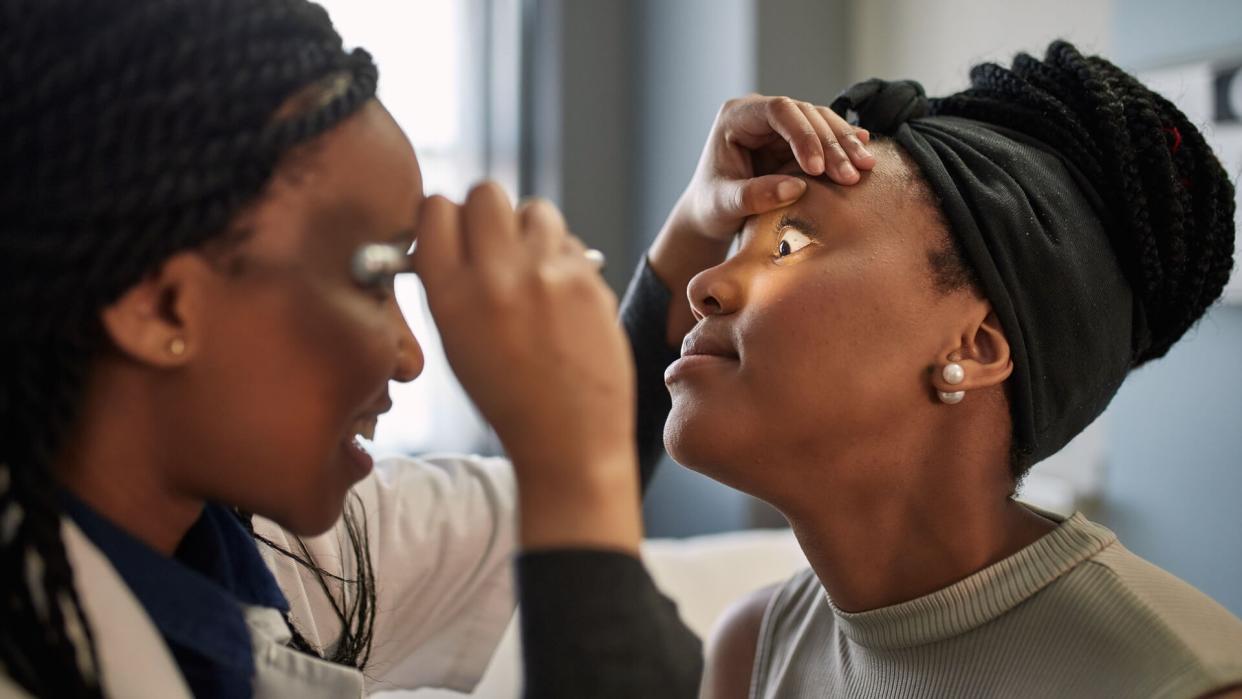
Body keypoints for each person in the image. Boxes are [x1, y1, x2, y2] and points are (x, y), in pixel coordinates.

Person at [0, 1, 872, 696]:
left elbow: (559, 527)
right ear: (160, 305)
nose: (412, 357)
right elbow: (571, 517)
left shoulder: (281, 545)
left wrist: (687, 237)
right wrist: (570, 462)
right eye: (375, 276)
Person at [628, 41, 1242, 698]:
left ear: (974, 346)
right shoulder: (752, 651)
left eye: (787, 243)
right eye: (732, 241)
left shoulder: (1178, 679)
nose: (704, 282)